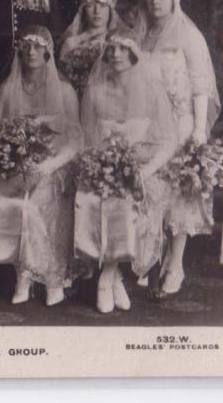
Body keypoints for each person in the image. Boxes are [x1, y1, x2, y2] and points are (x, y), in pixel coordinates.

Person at [0, 25, 82, 306]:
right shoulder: (9, 88)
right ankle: (23, 276)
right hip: (16, 164)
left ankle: (51, 277)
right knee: (8, 197)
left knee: (39, 199)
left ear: (48, 53)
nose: (31, 52)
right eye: (26, 46)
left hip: (53, 166)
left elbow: (75, 139)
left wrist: (48, 166)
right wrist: (9, 155)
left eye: (38, 47)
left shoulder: (65, 91)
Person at [76, 28, 176, 313]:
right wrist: (99, 167)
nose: (116, 54)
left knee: (126, 201)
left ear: (134, 54)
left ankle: (105, 279)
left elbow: (168, 142)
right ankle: (114, 275)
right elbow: (86, 136)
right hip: (103, 166)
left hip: (143, 168)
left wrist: (146, 170)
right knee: (94, 199)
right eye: (111, 49)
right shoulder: (94, 92)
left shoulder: (152, 91)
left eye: (123, 49)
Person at [132, 0, 221, 295]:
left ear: (175, 1)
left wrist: (198, 129)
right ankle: (150, 256)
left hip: (180, 120)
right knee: (151, 189)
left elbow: (201, 86)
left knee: (178, 192)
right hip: (147, 122)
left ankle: (176, 263)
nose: (155, 1)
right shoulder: (141, 35)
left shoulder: (189, 35)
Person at [57, 0, 124, 91]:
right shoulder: (71, 42)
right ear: (83, 10)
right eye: (90, 5)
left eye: (103, 5)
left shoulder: (118, 42)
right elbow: (61, 79)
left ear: (110, 11)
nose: (97, 11)